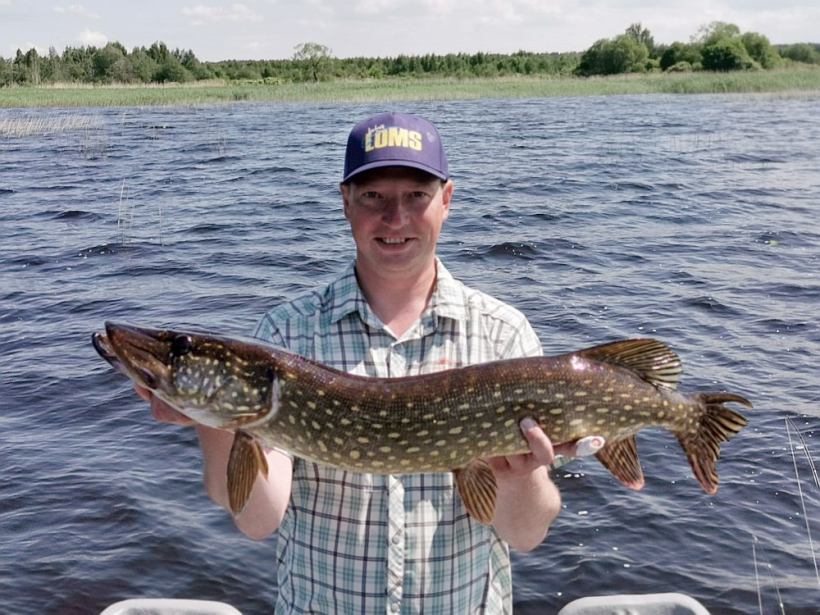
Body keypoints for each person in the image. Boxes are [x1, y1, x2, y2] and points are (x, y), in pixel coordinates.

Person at [138, 112, 602, 614]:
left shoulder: (503, 333)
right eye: (373, 197)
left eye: (416, 196)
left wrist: (519, 477)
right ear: (346, 203)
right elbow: (257, 521)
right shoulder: (287, 334)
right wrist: (213, 418)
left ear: (447, 200)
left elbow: (527, 534)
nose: (395, 218)